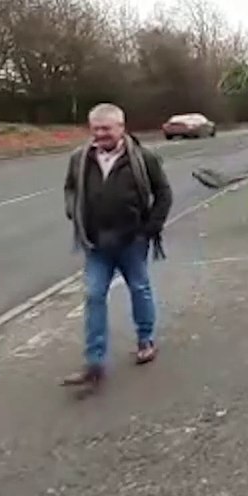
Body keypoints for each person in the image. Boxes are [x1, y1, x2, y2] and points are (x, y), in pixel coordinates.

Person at [62, 103, 171, 393]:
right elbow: (70, 189)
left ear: (121, 128)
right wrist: (74, 212)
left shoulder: (143, 158)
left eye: (106, 128)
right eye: (95, 128)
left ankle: (145, 340)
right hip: (96, 242)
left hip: (131, 240)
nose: (100, 134)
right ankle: (94, 363)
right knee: (93, 295)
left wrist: (150, 229)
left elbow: (163, 193)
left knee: (139, 288)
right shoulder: (79, 158)